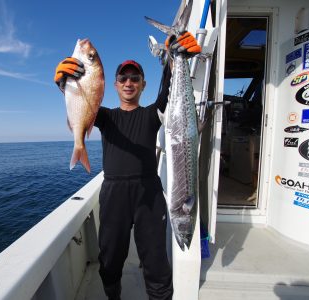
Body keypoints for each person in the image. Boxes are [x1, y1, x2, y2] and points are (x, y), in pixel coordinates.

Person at [53, 32, 200, 300]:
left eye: (135, 78)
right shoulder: (106, 117)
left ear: (143, 85)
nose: (129, 82)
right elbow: (81, 103)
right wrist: (65, 83)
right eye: (123, 78)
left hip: (149, 195)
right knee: (109, 260)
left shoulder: (152, 114)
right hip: (114, 195)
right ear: (116, 85)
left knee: (156, 263)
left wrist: (173, 57)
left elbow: (168, 91)